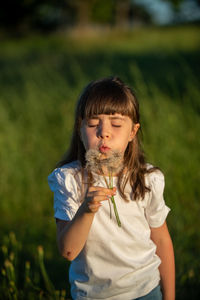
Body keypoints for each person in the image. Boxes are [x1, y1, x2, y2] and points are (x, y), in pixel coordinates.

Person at [48, 77, 175, 300]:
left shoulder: (147, 179)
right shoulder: (70, 180)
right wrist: (87, 209)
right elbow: (68, 251)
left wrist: (170, 296)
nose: (104, 132)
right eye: (92, 123)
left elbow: (162, 239)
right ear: (80, 129)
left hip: (146, 289)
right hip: (93, 295)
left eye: (116, 124)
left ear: (133, 132)